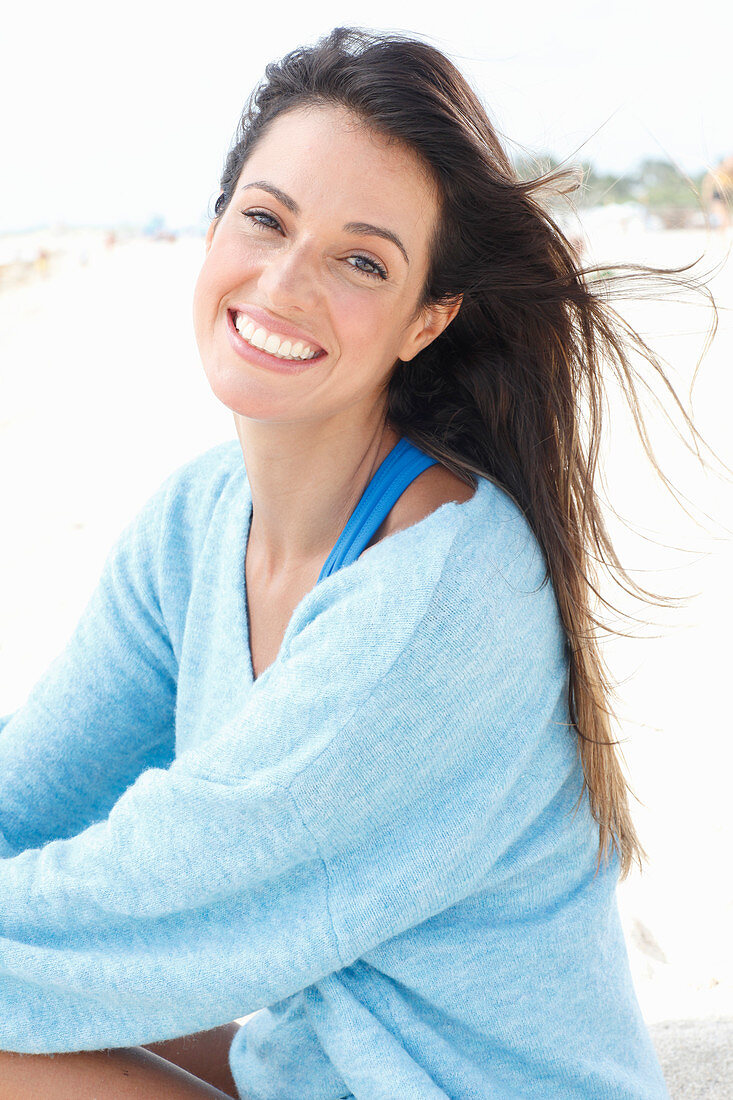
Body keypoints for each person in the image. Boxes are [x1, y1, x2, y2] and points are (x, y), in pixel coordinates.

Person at [4, 24, 718, 1099]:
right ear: (214, 226)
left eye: (358, 260)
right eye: (265, 218)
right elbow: (31, 791)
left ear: (426, 318)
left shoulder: (437, 591)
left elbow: (149, 892)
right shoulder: (198, 522)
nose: (285, 282)